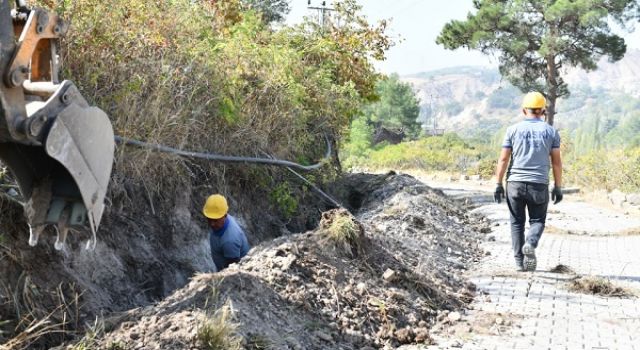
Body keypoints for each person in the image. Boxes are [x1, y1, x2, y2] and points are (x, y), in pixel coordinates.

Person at [493, 91, 563, 272]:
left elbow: (503, 159)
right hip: (538, 184)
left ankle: (519, 263)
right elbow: (556, 162)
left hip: (514, 183)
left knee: (516, 222)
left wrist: (498, 184)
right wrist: (558, 186)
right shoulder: (551, 132)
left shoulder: (512, 130)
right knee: (537, 220)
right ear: (543, 111)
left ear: (524, 110)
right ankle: (531, 242)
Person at [202, 194, 250, 271]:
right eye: (209, 219)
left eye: (215, 220)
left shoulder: (229, 241)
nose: (212, 224)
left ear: (225, 215)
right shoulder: (221, 221)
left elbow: (232, 269)